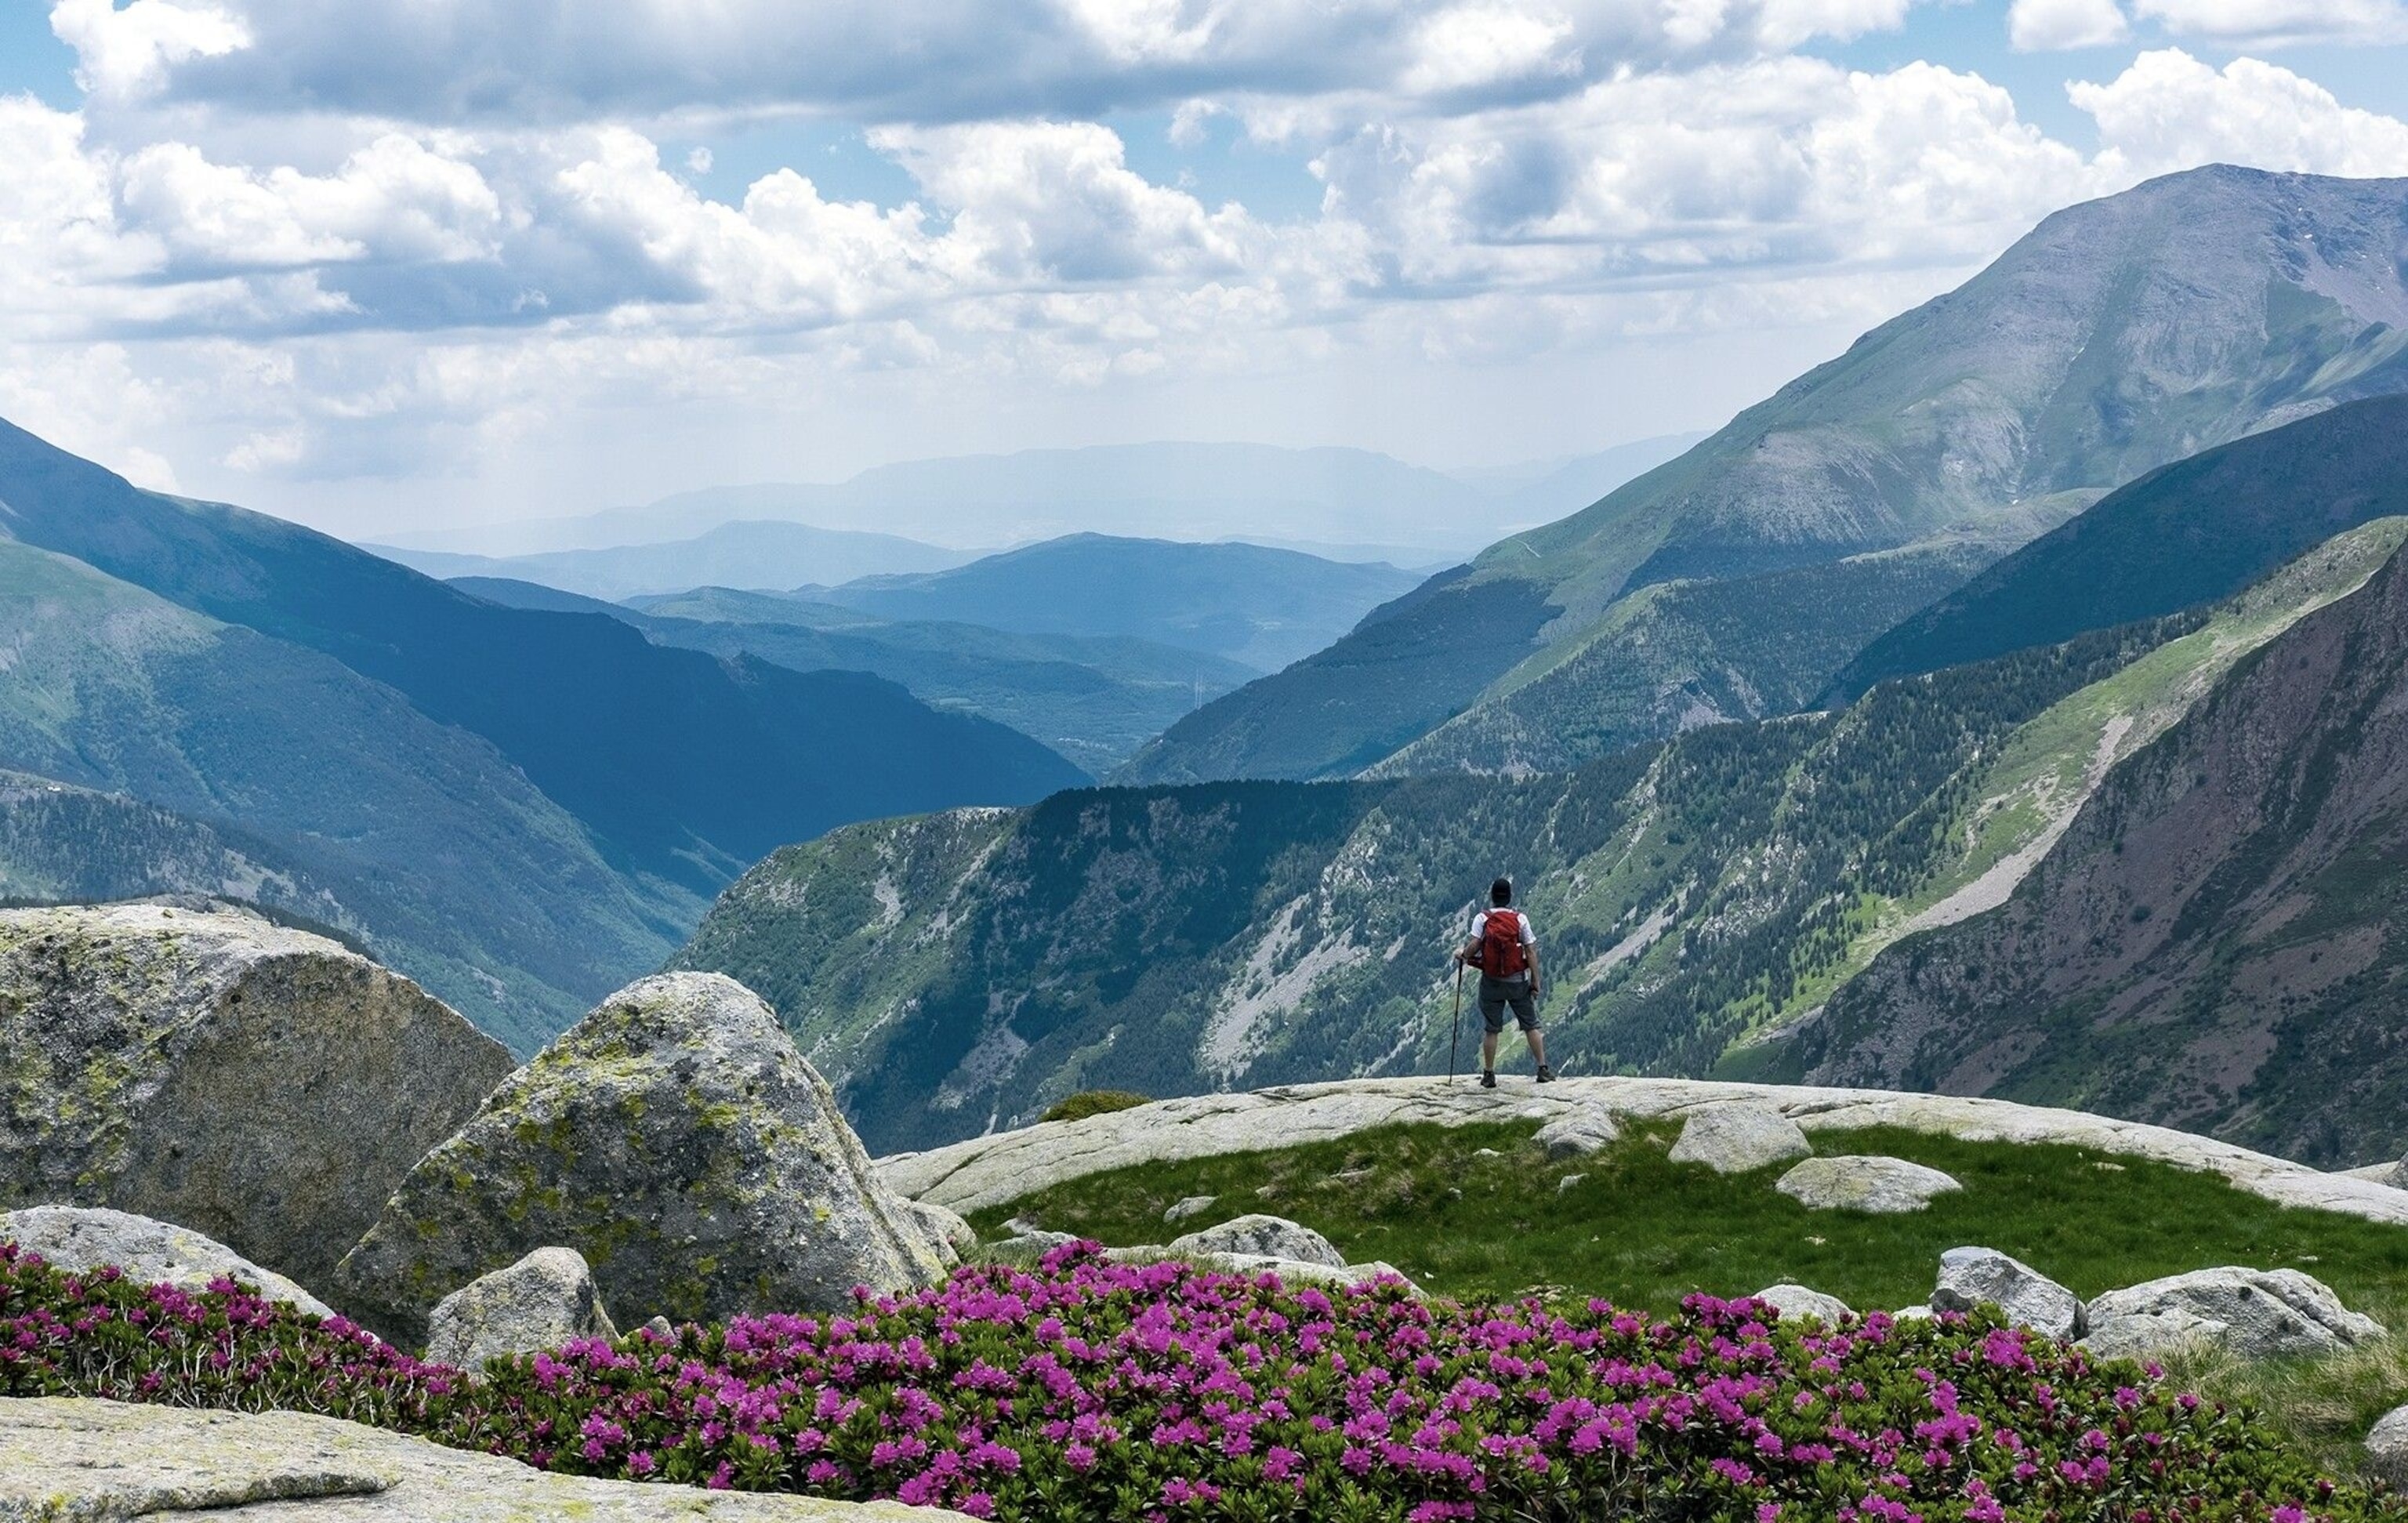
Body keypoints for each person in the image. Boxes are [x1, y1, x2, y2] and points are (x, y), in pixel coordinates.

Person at [1456, 876, 1550, 1087]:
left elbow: (1474, 945)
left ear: (1492, 897)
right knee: (1531, 1024)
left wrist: (1462, 954)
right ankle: (1543, 1069)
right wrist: (1535, 981)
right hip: (1517, 980)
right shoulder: (1520, 919)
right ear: (1509, 897)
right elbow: (1531, 950)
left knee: (1492, 1028)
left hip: (1491, 982)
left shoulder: (1483, 918)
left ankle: (1489, 1074)